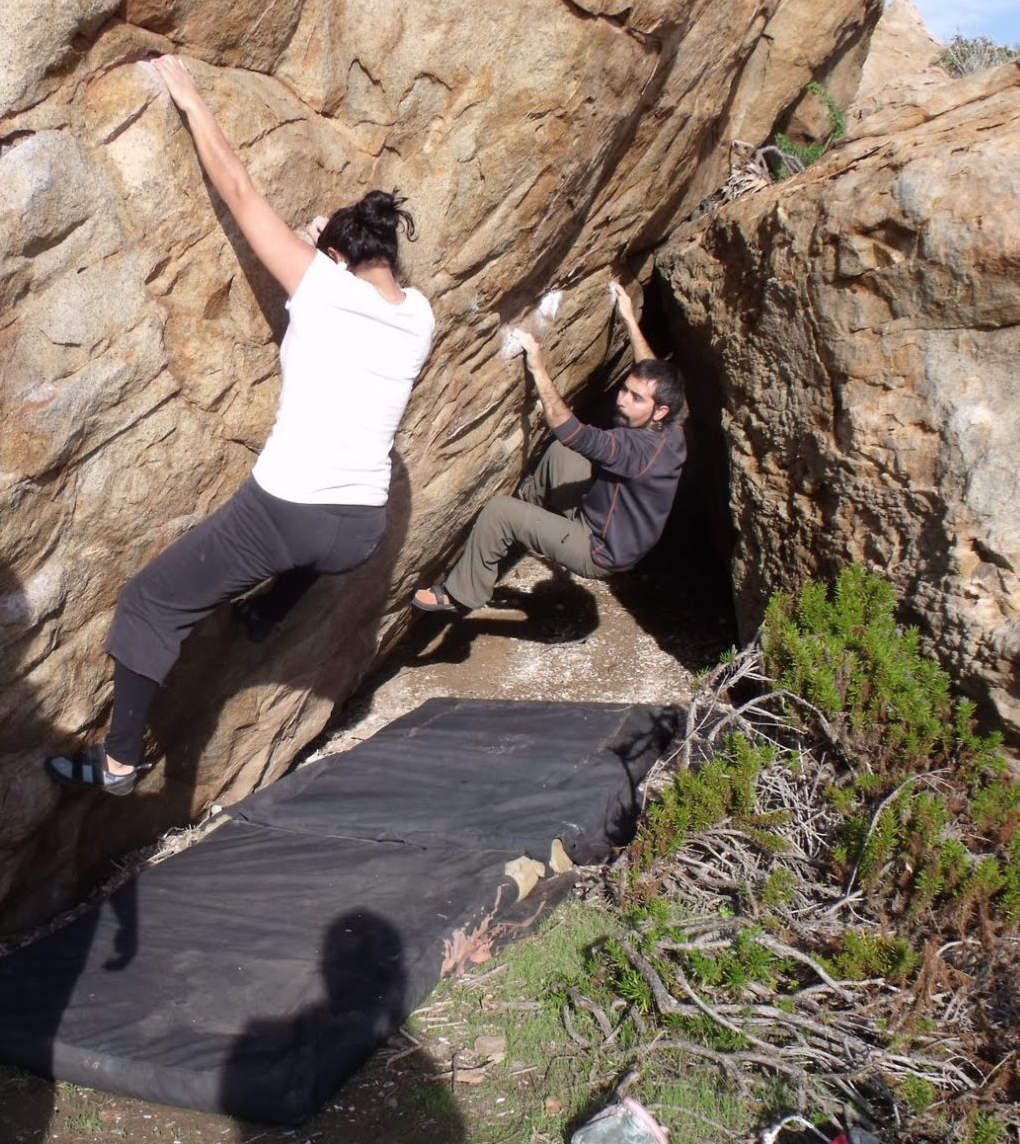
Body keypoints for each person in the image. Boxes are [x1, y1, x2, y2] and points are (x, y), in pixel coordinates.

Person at [46, 54, 435, 795]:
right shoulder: (418, 317)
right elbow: (366, 277)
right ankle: (267, 615)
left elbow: (237, 187)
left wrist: (192, 102)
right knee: (310, 554)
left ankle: (122, 762)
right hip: (361, 530)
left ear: (335, 256)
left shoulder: (319, 290)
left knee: (150, 600)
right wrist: (332, 242)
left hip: (288, 511)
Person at [411, 280, 686, 614]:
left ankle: (461, 596)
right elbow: (651, 370)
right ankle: (522, 520)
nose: (622, 399)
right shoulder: (672, 426)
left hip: (599, 550)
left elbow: (570, 431)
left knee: (500, 510)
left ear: (659, 411)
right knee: (562, 457)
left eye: (635, 398)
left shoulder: (635, 449)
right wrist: (629, 319)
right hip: (609, 523)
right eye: (625, 389)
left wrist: (538, 367)